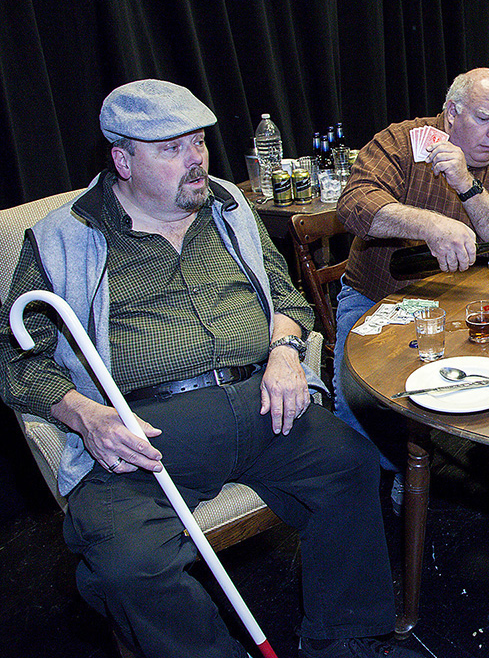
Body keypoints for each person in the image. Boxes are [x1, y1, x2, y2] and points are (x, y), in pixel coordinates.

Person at [0, 80, 411, 658]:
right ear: (123, 160)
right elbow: (18, 358)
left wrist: (287, 351)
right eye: (171, 148)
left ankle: (343, 639)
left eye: (198, 142)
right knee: (125, 566)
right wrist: (86, 416)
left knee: (351, 464)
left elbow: (288, 301)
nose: (195, 159)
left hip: (263, 398)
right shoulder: (64, 238)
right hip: (148, 430)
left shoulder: (228, 206)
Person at [334, 68, 489, 463]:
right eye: (483, 118)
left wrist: (467, 185)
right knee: (357, 399)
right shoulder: (401, 141)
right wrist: (431, 224)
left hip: (467, 296)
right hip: (378, 295)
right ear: (451, 112)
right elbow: (353, 204)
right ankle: (373, 485)